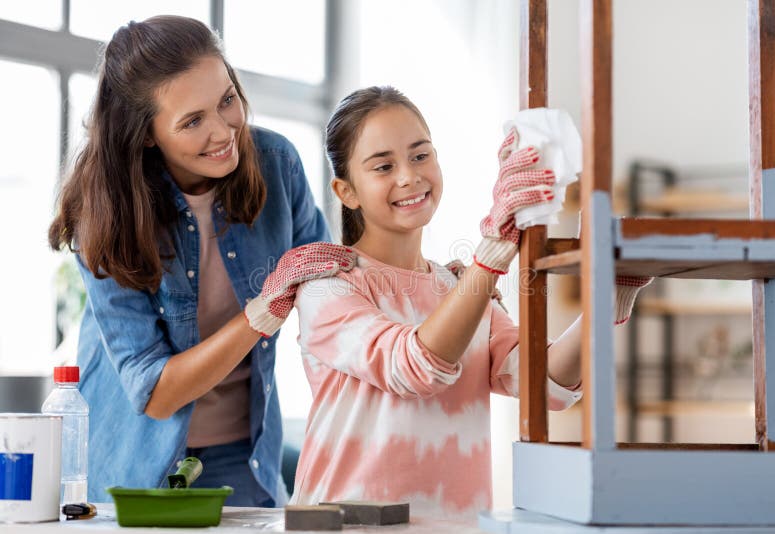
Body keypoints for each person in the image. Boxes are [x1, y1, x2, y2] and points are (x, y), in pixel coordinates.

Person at [288, 87, 651, 516]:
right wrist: (492, 255)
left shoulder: (458, 286)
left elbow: (542, 383)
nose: (409, 176)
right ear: (346, 191)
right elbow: (414, 367)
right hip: (345, 526)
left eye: (421, 155)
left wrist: (606, 302)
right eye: (384, 166)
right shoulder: (327, 286)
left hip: (456, 524)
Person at [48, 15, 353, 506]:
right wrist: (261, 314)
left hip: (243, 453)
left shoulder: (277, 163)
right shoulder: (105, 213)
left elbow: (335, 286)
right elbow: (154, 392)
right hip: (132, 464)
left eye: (227, 100)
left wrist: (431, 288)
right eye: (192, 121)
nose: (223, 131)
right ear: (146, 134)